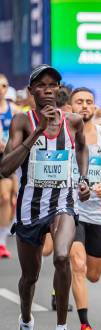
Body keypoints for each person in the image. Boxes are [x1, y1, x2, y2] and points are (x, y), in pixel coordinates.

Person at [1, 64, 91, 330]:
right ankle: (26, 325)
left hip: (63, 202)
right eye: (41, 85)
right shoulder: (22, 121)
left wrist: (83, 178)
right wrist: (37, 132)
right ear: (31, 92)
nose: (48, 90)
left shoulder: (74, 121)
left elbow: (81, 148)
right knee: (30, 278)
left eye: (53, 85)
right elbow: (5, 168)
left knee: (63, 257)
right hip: (30, 207)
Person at [68, 87, 101, 330]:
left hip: (98, 212)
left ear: (95, 107)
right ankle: (86, 329)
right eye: (79, 102)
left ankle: (64, 279)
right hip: (70, 210)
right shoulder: (63, 134)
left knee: (94, 274)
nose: (85, 106)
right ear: (71, 107)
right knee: (78, 265)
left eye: (89, 102)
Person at [0, 74, 19, 258]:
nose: (1, 89)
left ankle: (2, 241)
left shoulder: (12, 109)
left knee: (7, 196)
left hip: (6, 157)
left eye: (4, 85)